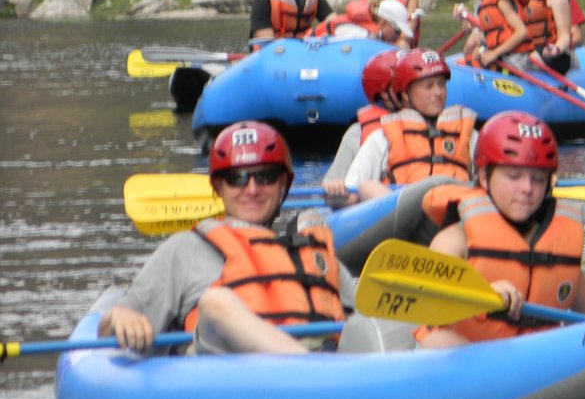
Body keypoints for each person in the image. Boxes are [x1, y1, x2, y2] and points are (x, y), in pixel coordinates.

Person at [99, 121, 347, 355]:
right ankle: (312, 375)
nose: (252, 189)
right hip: (224, 373)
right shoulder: (184, 249)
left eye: (266, 176)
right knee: (216, 303)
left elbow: (359, 324)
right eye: (236, 178)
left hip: (320, 371)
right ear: (219, 188)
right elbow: (110, 338)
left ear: (283, 183)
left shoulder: (311, 252)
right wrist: (115, 317)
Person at [416, 111, 585, 348]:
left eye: (537, 179)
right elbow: (427, 304)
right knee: (439, 340)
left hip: (538, 364)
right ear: (484, 177)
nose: (527, 188)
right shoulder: (454, 240)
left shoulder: (555, 243)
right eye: (514, 176)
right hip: (465, 361)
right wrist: (480, 294)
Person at [342, 48, 478, 202]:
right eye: (428, 86)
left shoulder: (469, 135)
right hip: (402, 218)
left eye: (441, 84)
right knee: (367, 186)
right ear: (405, 94)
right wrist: (336, 195)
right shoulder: (381, 138)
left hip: (452, 211)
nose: (438, 92)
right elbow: (351, 193)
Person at [321, 49, 404, 201]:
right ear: (384, 92)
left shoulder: (434, 125)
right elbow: (333, 186)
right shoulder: (357, 133)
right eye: (402, 84)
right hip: (377, 209)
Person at [454, 0, 530, 70]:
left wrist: (494, 53)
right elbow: (480, 30)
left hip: (514, 61)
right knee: (472, 49)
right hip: (503, 55)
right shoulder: (488, 4)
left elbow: (522, 31)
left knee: (461, 63)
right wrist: (464, 17)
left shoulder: (501, 2)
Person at [308, 0, 414, 48]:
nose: (399, 36)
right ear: (384, 23)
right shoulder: (361, 34)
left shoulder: (374, 35)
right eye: (398, 31)